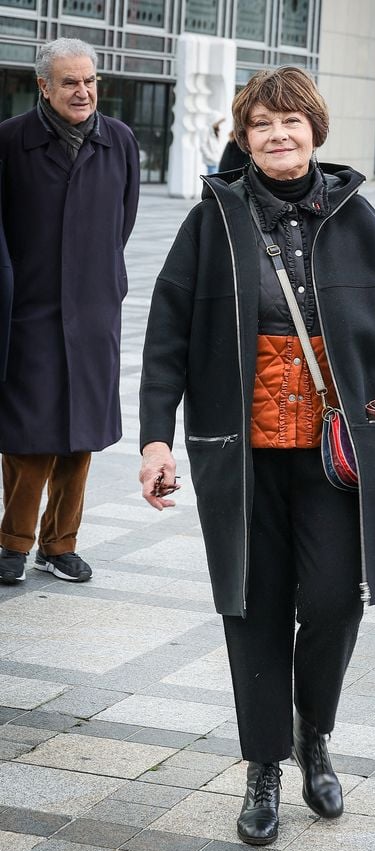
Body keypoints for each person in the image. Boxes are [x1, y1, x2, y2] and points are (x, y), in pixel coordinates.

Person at [139, 66, 375, 846]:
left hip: (336, 455)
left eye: (291, 122)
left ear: (315, 128)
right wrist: (154, 438)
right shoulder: (213, 218)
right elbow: (167, 335)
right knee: (252, 606)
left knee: (335, 599)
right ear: (243, 138)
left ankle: (314, 733)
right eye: (261, 126)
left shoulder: (358, 218)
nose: (278, 136)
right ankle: (263, 766)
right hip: (242, 455)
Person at [0, 38, 140, 585]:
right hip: (29, 309)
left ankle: (60, 544)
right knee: (29, 432)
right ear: (44, 87)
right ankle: (13, 542)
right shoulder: (11, 141)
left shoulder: (119, 141)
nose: (83, 92)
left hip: (93, 309)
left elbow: (122, 223)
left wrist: (101, 280)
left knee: (80, 434)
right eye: (69, 83)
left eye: (90, 81)